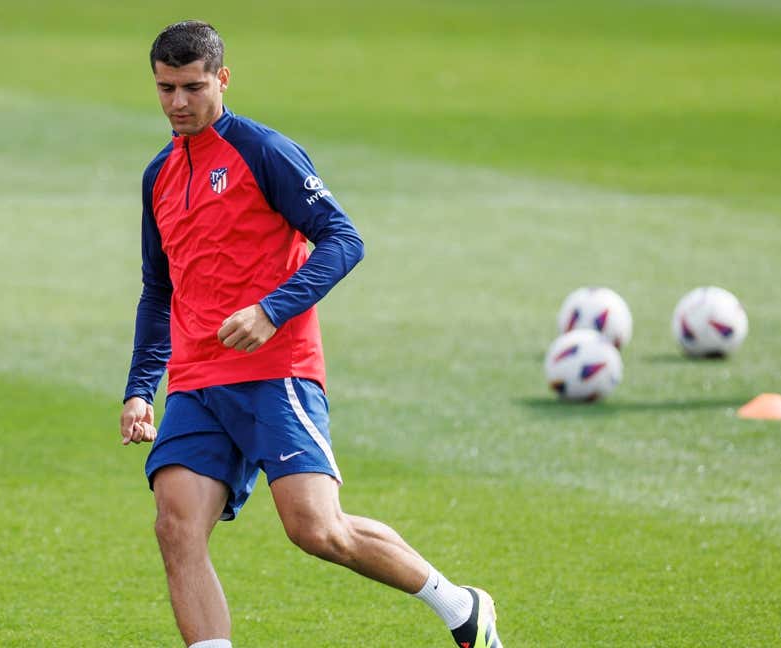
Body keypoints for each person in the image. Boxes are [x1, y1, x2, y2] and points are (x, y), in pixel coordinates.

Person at [119, 20, 503, 648]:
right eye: (165, 89)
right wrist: (141, 387)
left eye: (191, 86)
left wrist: (271, 311)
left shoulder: (264, 151)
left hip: (277, 370)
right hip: (196, 380)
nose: (178, 103)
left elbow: (343, 240)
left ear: (223, 78)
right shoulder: (158, 174)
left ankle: (461, 606)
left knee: (316, 530)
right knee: (176, 527)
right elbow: (158, 289)